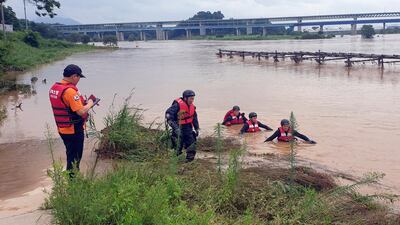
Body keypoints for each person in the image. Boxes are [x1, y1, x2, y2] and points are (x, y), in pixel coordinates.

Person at [49, 64, 100, 176]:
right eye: (79, 77)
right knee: (75, 158)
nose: (78, 80)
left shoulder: (54, 88)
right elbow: (81, 111)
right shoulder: (70, 91)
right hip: (73, 130)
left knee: (71, 154)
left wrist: (84, 103)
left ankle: (71, 179)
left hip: (62, 128)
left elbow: (67, 106)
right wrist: (91, 103)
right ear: (74, 76)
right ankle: (73, 183)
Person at [165, 90, 199, 162]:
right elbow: (168, 115)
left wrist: (197, 128)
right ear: (185, 98)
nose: (192, 100)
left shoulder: (192, 106)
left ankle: (190, 159)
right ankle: (176, 157)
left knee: (191, 141)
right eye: (191, 98)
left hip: (188, 126)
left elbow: (194, 117)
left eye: (193, 98)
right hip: (178, 125)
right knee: (177, 141)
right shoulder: (177, 105)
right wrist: (175, 128)